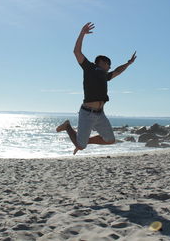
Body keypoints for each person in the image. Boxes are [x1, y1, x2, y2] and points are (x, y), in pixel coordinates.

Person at [56, 22, 137, 155]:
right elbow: (76, 52)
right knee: (80, 146)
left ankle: (83, 141)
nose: (110, 68)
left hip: (100, 114)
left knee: (110, 140)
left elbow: (117, 71)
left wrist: (128, 63)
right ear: (103, 62)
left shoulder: (105, 76)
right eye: (109, 65)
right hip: (87, 113)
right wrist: (82, 33)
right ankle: (67, 126)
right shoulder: (89, 68)